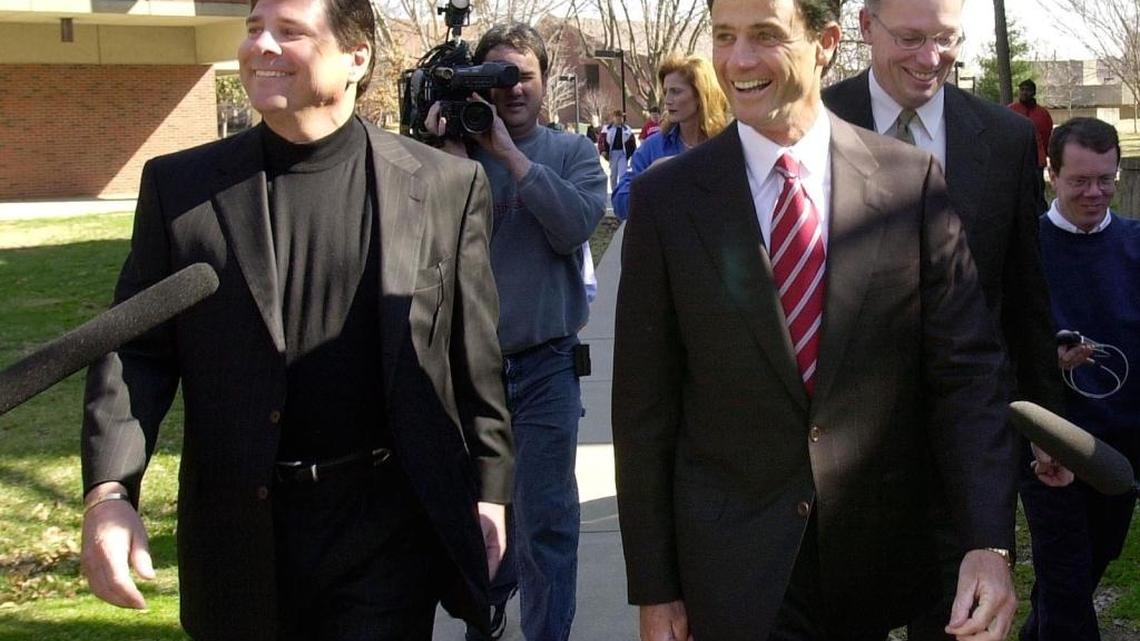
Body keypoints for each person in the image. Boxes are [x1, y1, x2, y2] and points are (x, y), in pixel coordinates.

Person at [78, 0, 513, 638]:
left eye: (290, 32)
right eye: (255, 30)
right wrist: (109, 493)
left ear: (356, 57)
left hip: (385, 534)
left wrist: (492, 490)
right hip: (239, 536)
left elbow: (472, 354)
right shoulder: (181, 188)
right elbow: (135, 349)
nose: (262, 47)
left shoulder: (446, 186)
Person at [612, 0, 1019, 639]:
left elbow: (967, 376)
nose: (738, 61)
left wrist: (988, 543)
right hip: (733, 570)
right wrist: (656, 588)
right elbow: (644, 409)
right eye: (725, 36)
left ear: (825, 41)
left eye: (765, 36)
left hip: (878, 567)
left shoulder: (908, 184)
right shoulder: (668, 199)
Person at [823, 2, 1063, 636]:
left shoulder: (1005, 139)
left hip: (966, 445)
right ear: (866, 27)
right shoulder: (812, 125)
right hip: (838, 451)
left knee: (958, 623)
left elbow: (1025, 294)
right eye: (909, 38)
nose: (930, 60)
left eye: (945, 40)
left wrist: (1048, 420)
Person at [428, 22, 608, 641]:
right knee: (478, 523)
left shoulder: (573, 154)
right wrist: (449, 159)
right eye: (495, 78)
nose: (510, 90)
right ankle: (487, 618)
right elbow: (426, 247)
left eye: (521, 76)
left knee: (547, 524)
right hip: (468, 376)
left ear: (544, 80)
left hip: (545, 368)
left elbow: (575, 225)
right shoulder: (452, 157)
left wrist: (508, 153)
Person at [1020, 116, 1139, 641]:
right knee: (1065, 580)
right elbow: (996, 341)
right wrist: (1050, 357)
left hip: (1123, 445)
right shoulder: (1022, 248)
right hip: (1053, 447)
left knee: (1084, 569)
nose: (1095, 193)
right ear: (1052, 175)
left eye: (1106, 180)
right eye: (1080, 181)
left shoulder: (1136, 245)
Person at [611, 53, 730, 220]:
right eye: (666, 92)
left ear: (700, 96)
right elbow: (619, 203)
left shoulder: (728, 146)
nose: (667, 100)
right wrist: (650, 181)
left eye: (676, 92)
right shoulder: (654, 147)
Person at [1009, 78, 1054, 194]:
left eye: (1027, 90)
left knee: (1037, 191)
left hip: (1036, 160)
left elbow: (1047, 135)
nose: (1024, 92)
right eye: (1022, 90)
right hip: (1015, 159)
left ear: (1033, 93)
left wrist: (1043, 153)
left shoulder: (1043, 114)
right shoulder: (1010, 110)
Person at [598, 109, 637, 191]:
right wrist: (603, 151)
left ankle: (622, 190)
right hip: (612, 154)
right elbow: (601, 141)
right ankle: (614, 191)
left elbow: (632, 143)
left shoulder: (627, 129)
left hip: (623, 153)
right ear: (613, 118)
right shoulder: (607, 129)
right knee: (613, 175)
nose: (619, 119)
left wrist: (632, 154)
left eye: (621, 117)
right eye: (617, 117)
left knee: (623, 174)